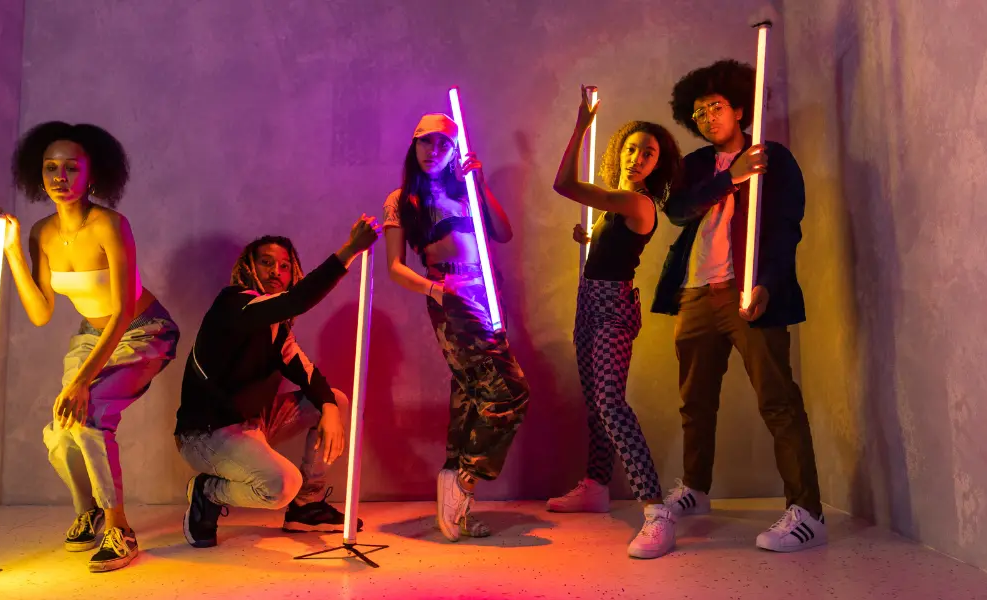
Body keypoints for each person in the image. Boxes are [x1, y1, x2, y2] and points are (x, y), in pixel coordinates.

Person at [0, 122, 180, 572]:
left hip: (143, 330)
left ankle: (119, 528)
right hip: (92, 335)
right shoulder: (41, 233)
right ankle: (87, 511)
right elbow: (40, 312)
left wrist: (83, 380)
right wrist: (13, 250)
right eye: (51, 167)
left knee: (88, 416)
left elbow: (123, 311)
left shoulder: (111, 224)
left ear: (92, 176)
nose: (60, 176)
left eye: (72, 167)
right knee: (58, 429)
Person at [652, 59, 825, 552]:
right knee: (695, 401)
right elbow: (677, 211)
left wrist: (767, 283)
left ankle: (807, 512)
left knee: (777, 399)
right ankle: (695, 488)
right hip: (696, 293)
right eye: (699, 110)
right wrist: (731, 177)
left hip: (747, 291)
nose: (707, 116)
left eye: (716, 106)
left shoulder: (773, 158)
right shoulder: (697, 166)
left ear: (739, 109)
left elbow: (786, 225)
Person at [176, 218, 380, 548]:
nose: (276, 272)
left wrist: (328, 407)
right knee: (281, 486)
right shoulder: (233, 304)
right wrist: (349, 251)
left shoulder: (277, 329)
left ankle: (307, 506)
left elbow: (308, 374)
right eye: (266, 262)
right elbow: (294, 301)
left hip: (251, 424)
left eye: (284, 266)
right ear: (248, 267)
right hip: (205, 435)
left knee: (335, 401)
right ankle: (208, 492)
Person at [382, 113, 530, 543]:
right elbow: (394, 268)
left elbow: (502, 232)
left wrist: (479, 184)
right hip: (452, 295)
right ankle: (464, 478)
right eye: (426, 143)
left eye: (443, 145)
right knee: (508, 391)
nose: (434, 151)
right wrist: (436, 290)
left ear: (455, 151)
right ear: (414, 146)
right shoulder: (401, 199)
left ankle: (456, 501)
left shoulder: (464, 191)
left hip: (487, 292)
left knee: (472, 392)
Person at [549, 86, 684, 558]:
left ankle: (656, 510)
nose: (638, 157)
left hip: (612, 309)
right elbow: (612, 245)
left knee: (611, 404)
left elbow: (563, 185)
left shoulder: (639, 202)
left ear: (657, 164)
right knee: (594, 402)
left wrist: (582, 124)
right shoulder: (619, 204)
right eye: (632, 149)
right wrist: (592, 237)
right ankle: (595, 485)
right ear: (620, 152)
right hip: (590, 303)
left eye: (648, 153)